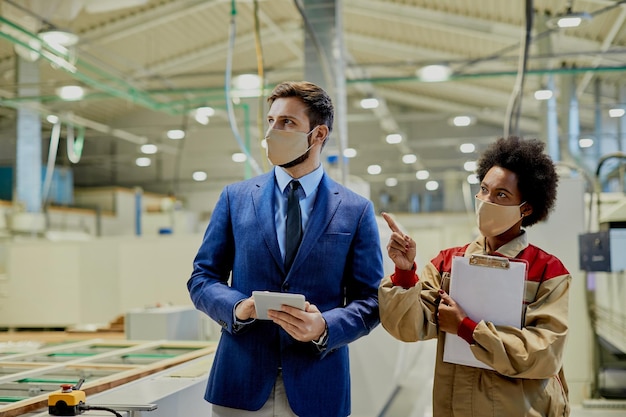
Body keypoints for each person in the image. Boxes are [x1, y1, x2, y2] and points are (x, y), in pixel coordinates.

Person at [187, 81, 383, 417]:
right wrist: (238, 308)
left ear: (318, 134)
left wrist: (324, 326)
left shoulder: (356, 210)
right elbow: (202, 277)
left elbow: (372, 298)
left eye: (287, 123)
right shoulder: (236, 199)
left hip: (317, 383)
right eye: (271, 121)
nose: (273, 132)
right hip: (240, 383)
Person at [378, 136, 571, 417]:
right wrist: (405, 272)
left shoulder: (547, 272)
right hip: (455, 407)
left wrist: (466, 328)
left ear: (526, 208)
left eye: (501, 195)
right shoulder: (448, 263)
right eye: (483, 189)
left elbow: (542, 354)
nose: (485, 201)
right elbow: (409, 327)